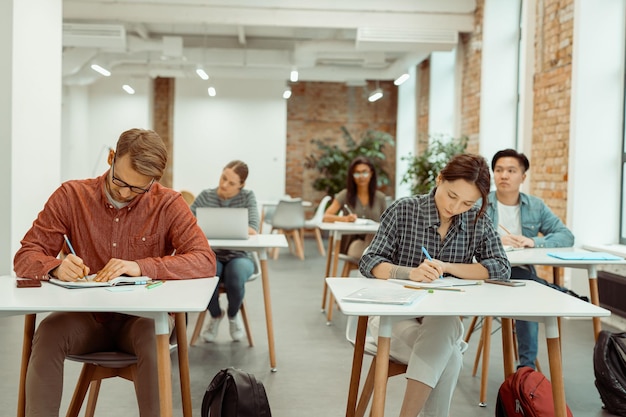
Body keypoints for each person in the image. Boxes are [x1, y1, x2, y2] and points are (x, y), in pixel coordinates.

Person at [13, 128, 216, 417]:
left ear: (153, 182)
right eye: (120, 180)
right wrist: (56, 267)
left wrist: (141, 267)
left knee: (153, 334)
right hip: (87, 320)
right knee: (48, 333)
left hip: (141, 321)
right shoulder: (71, 196)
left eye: (137, 189)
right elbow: (25, 256)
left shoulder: (168, 203)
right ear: (111, 157)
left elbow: (204, 260)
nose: (124, 193)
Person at [359, 153, 510, 417]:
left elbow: (500, 267)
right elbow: (370, 262)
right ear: (440, 179)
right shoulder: (404, 210)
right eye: (452, 196)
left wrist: (448, 268)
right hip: (391, 320)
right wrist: (409, 274)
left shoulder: (477, 220)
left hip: (439, 320)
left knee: (444, 328)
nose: (455, 207)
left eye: (467, 202)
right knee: (450, 353)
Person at [486, 148, 575, 370]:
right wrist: (498, 240)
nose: (504, 175)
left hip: (521, 273)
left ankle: (525, 368)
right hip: (489, 273)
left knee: (525, 290)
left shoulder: (535, 205)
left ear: (523, 177)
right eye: (498, 170)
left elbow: (566, 236)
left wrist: (533, 241)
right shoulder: (480, 203)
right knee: (528, 287)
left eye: (511, 170)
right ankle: (561, 294)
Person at [190, 160, 260, 342]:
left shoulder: (247, 197)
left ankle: (232, 314)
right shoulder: (205, 196)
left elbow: (253, 227)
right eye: (223, 178)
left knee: (235, 275)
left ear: (241, 185)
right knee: (208, 274)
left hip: (240, 255)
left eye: (231, 183)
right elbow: (186, 223)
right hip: (211, 254)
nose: (224, 185)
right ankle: (215, 315)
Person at [322, 156, 387, 258]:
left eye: (364, 172)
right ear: (352, 176)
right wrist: (345, 219)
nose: (361, 176)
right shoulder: (345, 195)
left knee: (374, 242)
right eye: (357, 173)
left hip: (373, 243)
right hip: (352, 245)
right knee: (374, 253)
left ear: (371, 173)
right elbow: (326, 217)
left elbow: (386, 224)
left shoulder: (380, 198)